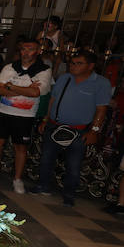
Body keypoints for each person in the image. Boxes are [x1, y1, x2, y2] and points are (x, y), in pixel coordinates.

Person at [32, 51, 109, 206]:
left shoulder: (101, 83)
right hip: (55, 125)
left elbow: (101, 109)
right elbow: (52, 100)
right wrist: (46, 119)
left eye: (79, 63)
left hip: (79, 130)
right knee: (46, 158)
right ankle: (43, 185)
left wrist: (94, 130)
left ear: (91, 66)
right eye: (72, 63)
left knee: (73, 164)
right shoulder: (64, 78)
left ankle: (69, 194)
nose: (73, 66)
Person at [0, 38, 52, 194]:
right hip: (3, 111)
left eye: (30, 49)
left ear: (38, 51)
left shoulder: (44, 70)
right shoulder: (10, 67)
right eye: (24, 49)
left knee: (20, 147)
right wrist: (24, 88)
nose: (26, 52)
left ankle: (17, 179)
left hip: (25, 115)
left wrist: (10, 86)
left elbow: (35, 93)